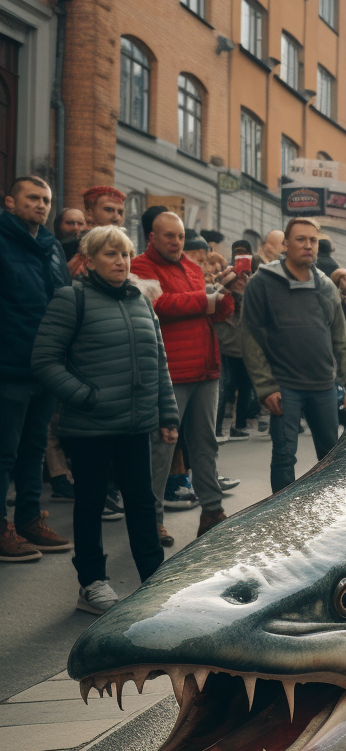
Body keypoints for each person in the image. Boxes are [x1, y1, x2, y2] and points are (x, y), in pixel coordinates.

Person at [31, 226, 178, 612]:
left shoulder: (140, 301)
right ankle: (92, 583)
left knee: (142, 503)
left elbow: (159, 362)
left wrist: (167, 412)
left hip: (136, 424)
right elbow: (44, 361)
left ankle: (154, 580)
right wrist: (84, 396)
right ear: (90, 260)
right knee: (91, 503)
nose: (121, 262)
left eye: (125, 254)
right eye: (111, 254)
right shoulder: (71, 299)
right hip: (90, 425)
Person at [132, 211, 233, 541]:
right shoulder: (141, 266)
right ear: (152, 238)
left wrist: (227, 294)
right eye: (169, 236)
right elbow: (160, 304)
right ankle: (152, 519)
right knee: (162, 448)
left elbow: (215, 312)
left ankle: (212, 511)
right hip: (171, 373)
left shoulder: (191, 268)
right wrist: (205, 299)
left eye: (179, 235)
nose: (176, 242)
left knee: (205, 444)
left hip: (207, 368)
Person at [242, 217, 346, 492]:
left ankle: (329, 516)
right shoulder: (263, 282)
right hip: (285, 387)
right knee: (284, 458)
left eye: (313, 240)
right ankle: (283, 521)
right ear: (285, 245)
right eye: (300, 239)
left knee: (331, 458)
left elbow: (340, 339)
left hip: (323, 386)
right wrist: (265, 387)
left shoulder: (326, 285)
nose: (308, 245)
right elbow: (250, 337)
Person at [0, 176, 73, 562]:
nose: (41, 205)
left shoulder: (52, 247)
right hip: (9, 366)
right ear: (11, 202)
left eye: (46, 199)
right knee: (4, 453)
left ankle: (29, 520)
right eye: (32, 198)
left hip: (47, 367)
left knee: (32, 451)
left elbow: (62, 302)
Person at [215, 264, 256, 442]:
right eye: (237, 279)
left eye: (243, 279)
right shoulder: (225, 297)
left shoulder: (249, 298)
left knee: (245, 387)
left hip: (243, 350)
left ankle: (238, 425)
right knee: (226, 388)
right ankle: (217, 428)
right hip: (225, 348)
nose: (241, 282)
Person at [65, 186, 127, 277]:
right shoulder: (73, 248)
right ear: (89, 214)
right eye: (109, 209)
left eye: (120, 212)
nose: (116, 217)